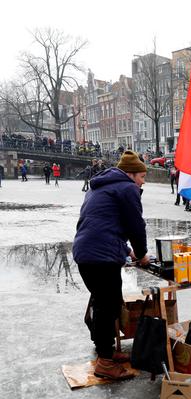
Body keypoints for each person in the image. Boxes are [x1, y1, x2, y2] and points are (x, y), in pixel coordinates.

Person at [73, 150, 149, 380]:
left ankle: (104, 351)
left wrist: (127, 251)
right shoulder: (127, 189)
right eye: (143, 177)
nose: (143, 181)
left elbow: (102, 225)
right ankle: (105, 363)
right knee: (109, 307)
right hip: (100, 257)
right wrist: (142, 254)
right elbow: (136, 226)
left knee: (103, 303)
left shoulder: (99, 187)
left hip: (86, 253)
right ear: (131, 174)